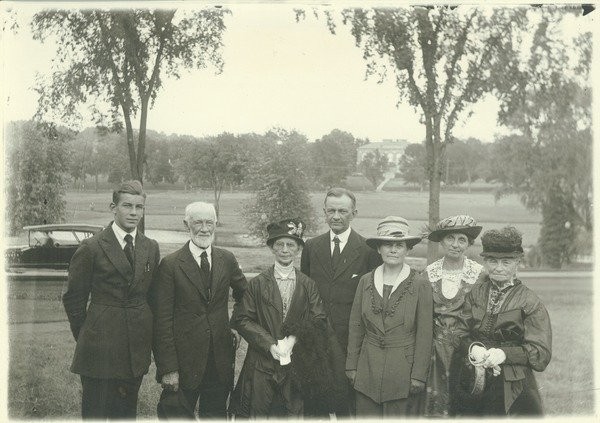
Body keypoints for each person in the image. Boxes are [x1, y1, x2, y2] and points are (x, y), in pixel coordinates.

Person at [62, 180, 161, 419]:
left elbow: (152, 298)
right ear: (112, 207)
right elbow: (73, 299)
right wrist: (89, 334)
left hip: (134, 351)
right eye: (127, 206)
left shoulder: (150, 247)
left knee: (126, 416)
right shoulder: (92, 247)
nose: (134, 213)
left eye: (139, 207)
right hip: (99, 352)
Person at [230, 218, 342, 418]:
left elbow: (319, 319)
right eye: (279, 244)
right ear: (272, 247)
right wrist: (269, 345)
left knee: (294, 412)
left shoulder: (308, 285)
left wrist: (292, 340)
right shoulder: (256, 284)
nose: (284, 249)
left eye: (290, 244)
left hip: (296, 363)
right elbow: (243, 319)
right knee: (260, 413)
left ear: (298, 249)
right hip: (261, 364)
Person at [151, 202, 247, 419]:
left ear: (215, 224)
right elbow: (162, 321)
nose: (204, 228)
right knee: (174, 415)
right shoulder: (171, 265)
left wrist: (235, 325)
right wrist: (168, 369)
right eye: (198, 222)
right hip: (183, 363)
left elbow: (246, 296)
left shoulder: (227, 259)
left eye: (209, 222)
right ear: (187, 224)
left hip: (219, 360)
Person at [452, 226, 552, 416]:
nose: (498, 267)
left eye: (506, 262)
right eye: (492, 261)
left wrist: (504, 354)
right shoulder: (476, 294)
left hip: (514, 387)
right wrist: (473, 348)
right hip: (475, 380)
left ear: (517, 263)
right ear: (485, 261)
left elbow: (541, 354)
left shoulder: (530, 302)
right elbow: (458, 334)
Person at [300, 187, 381, 415]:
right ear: (324, 212)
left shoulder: (367, 250)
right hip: (316, 340)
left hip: (350, 341)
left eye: (342, 211)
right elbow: (305, 292)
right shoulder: (311, 246)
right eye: (331, 210)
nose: (336, 216)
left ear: (354, 213)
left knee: (347, 405)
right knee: (314, 406)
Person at [346, 216, 433, 417]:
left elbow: (425, 334)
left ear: (408, 249)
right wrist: (351, 366)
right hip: (367, 371)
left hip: (402, 373)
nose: (393, 250)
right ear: (378, 248)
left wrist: (418, 375)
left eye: (399, 245)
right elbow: (356, 325)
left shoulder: (420, 285)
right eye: (387, 244)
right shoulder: (365, 281)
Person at [422, 215, 484, 417]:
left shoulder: (479, 275)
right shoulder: (428, 274)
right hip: (434, 354)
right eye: (450, 238)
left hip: (466, 351)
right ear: (441, 240)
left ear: (469, 244)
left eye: (462, 240)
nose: (455, 245)